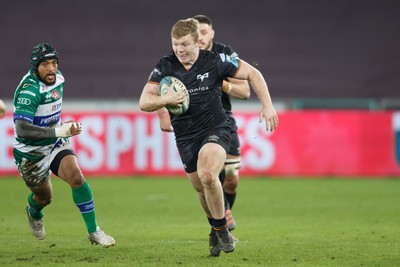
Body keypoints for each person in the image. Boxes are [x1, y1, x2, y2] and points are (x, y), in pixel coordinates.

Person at [140, 19, 278, 256]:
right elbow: (144, 102)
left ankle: (222, 229)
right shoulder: (165, 66)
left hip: (216, 129)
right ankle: (215, 229)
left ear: (197, 43)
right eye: (175, 44)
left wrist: (268, 106)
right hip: (185, 136)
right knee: (201, 189)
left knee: (207, 173)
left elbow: (253, 73)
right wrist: (166, 100)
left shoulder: (215, 60)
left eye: (185, 44)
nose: (180, 50)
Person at [13, 43, 115, 248]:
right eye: (45, 64)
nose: (51, 68)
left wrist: (61, 128)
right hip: (31, 152)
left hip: (55, 142)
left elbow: (50, 111)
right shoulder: (29, 91)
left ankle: (93, 231)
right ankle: (34, 211)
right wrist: (58, 130)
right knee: (44, 197)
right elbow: (23, 129)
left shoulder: (59, 79)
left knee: (76, 177)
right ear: (35, 67)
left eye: (54, 63)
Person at [157, 14, 248, 235]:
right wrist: (163, 114)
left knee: (231, 181)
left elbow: (245, 92)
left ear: (210, 34)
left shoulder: (222, 55)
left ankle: (223, 216)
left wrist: (218, 81)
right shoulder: (177, 59)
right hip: (193, 125)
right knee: (208, 177)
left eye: (205, 32)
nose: (201, 38)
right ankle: (219, 225)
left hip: (222, 119)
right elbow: (160, 85)